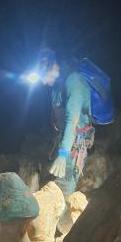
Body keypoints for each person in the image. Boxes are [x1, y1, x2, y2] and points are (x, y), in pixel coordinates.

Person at [37, 49, 94, 203]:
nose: (43, 82)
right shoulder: (58, 85)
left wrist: (63, 154)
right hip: (63, 140)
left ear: (53, 67)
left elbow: (72, 120)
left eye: (43, 75)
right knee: (51, 186)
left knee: (62, 191)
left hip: (74, 144)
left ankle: (63, 226)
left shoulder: (75, 82)